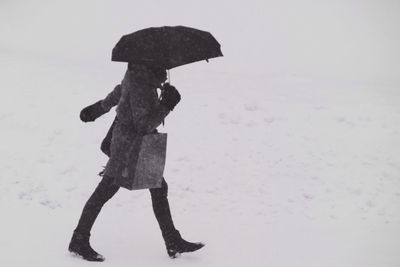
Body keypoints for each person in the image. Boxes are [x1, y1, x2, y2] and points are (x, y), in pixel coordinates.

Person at [68, 63, 204, 262]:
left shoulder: (139, 71)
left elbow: (120, 91)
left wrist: (98, 109)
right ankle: (79, 240)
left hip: (138, 142)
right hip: (129, 145)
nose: (166, 68)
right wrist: (166, 105)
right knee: (106, 189)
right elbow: (144, 124)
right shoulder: (142, 83)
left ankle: (172, 241)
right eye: (163, 63)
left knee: (159, 188)